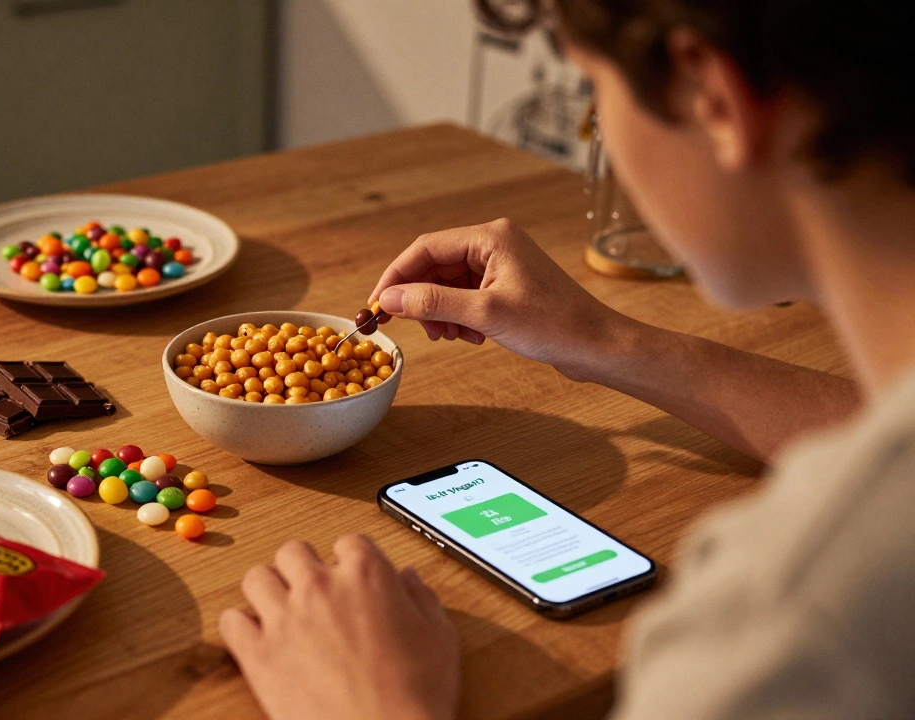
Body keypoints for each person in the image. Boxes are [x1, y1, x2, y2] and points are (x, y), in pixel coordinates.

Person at [219, 1, 915, 718]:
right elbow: (880, 434)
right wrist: (602, 341)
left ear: (715, 101)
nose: (599, 128)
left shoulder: (788, 621)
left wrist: (373, 705)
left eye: (593, 94)